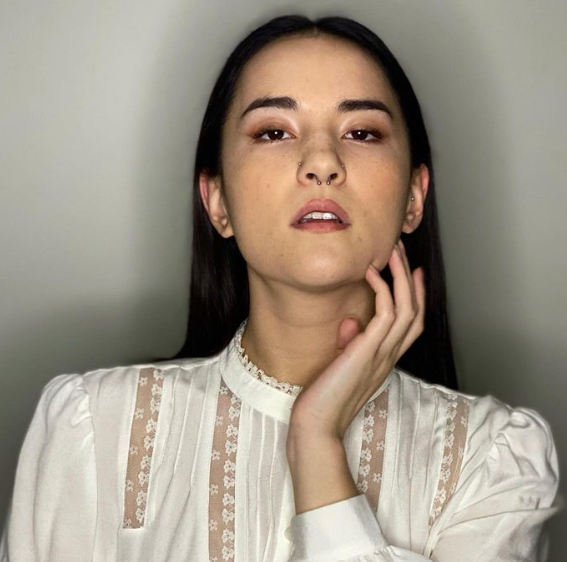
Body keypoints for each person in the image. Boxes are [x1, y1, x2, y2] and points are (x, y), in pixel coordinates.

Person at [0, 14, 561, 562]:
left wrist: (316, 439)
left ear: (414, 198)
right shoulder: (92, 426)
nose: (322, 163)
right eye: (273, 132)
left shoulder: (494, 459)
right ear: (217, 201)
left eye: (361, 132)